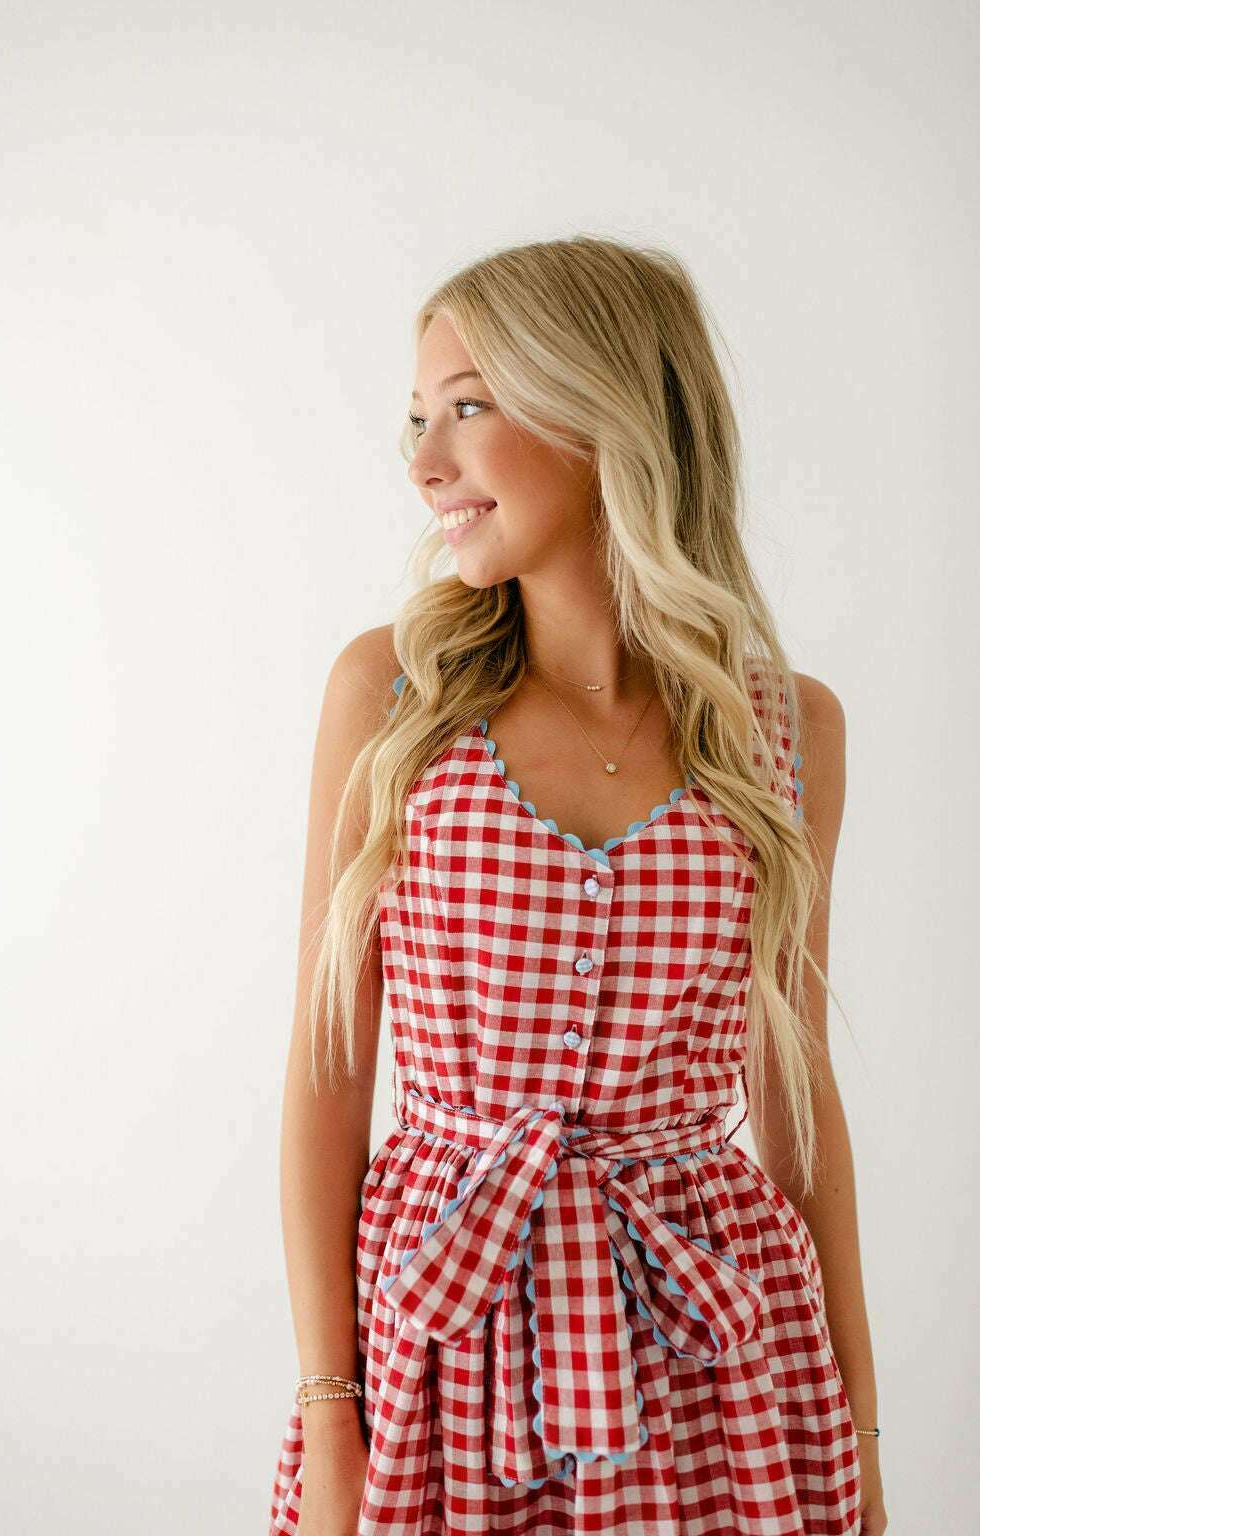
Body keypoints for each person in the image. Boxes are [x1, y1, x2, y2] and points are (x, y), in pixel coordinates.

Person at [268, 235, 888, 1536]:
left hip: (715, 1358)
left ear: (603, 414)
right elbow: (329, 1074)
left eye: (468, 408)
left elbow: (796, 1094)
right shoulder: (391, 700)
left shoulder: (788, 732)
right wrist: (329, 1408)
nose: (424, 462)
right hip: (445, 1348)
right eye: (418, 418)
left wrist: (861, 1428)